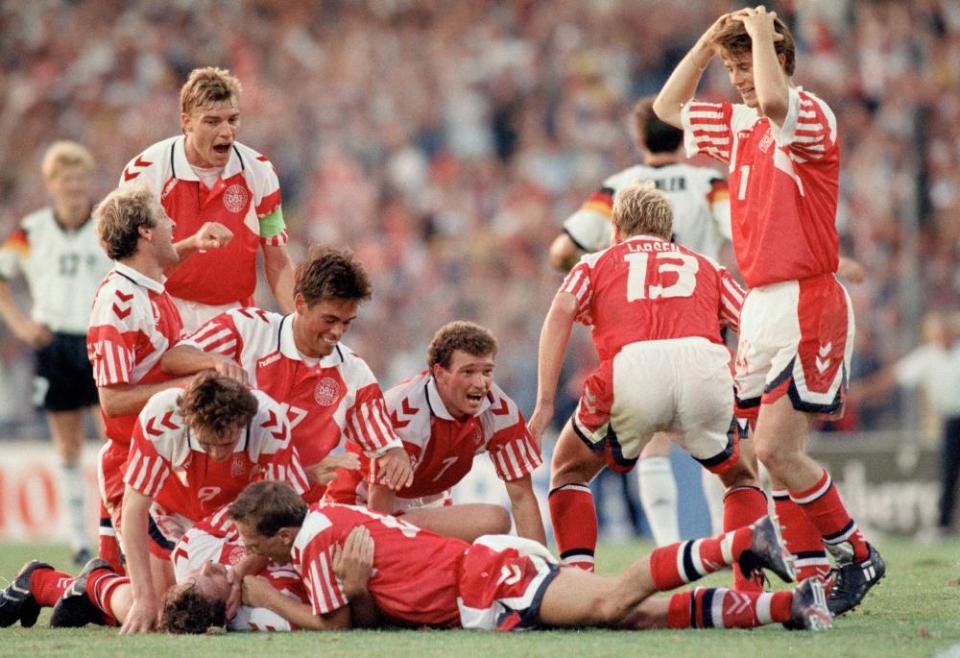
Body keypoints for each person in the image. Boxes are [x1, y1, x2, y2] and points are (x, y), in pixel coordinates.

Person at [653, 6, 885, 615]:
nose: (739, 77)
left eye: (746, 63)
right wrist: (705, 47)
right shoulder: (739, 126)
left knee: (779, 449)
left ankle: (857, 555)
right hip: (760, 304)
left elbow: (779, 104)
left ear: (781, 60)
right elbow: (667, 111)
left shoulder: (808, 114)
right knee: (758, 458)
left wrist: (760, 34)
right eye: (732, 67)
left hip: (807, 297)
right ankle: (810, 578)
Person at [528, 182, 766, 593]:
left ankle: (578, 585)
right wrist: (750, 394)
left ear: (616, 229)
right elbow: (754, 321)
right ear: (668, 230)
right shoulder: (705, 265)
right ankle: (749, 590)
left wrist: (545, 402)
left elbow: (562, 308)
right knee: (743, 478)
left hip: (631, 369)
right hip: (704, 364)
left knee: (568, 470)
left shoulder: (597, 262)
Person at [226, 481, 831, 633]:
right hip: (486, 577)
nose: (253, 557)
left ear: (282, 536)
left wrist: (267, 596)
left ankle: (743, 541)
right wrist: (360, 594)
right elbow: (365, 615)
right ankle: (791, 606)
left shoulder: (313, 544)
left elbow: (335, 631)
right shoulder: (333, 515)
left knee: (611, 597)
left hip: (489, 580)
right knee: (634, 617)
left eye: (255, 545)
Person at [547, 97, 735, 545]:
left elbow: (560, 251)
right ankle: (720, 546)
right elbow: (739, 232)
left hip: (637, 330)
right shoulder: (708, 180)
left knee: (653, 438)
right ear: (684, 136)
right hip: (702, 315)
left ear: (638, 138)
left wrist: (603, 267)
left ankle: (669, 549)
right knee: (720, 443)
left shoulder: (619, 186)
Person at [159, 245, 414, 503]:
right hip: (205, 501)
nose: (337, 332)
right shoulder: (246, 327)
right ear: (301, 303)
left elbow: (386, 445)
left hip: (284, 516)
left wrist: (397, 457)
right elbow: (172, 359)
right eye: (329, 320)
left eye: (347, 322)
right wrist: (214, 360)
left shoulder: (354, 375)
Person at [86, 184, 230, 573]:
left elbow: (162, 262)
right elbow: (112, 401)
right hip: (130, 464)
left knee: (204, 573)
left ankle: (94, 576)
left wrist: (195, 243)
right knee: (173, 590)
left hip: (164, 463)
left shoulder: (150, 289)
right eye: (164, 217)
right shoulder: (116, 303)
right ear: (145, 232)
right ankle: (46, 583)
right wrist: (188, 388)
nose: (173, 224)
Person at [118, 373, 320, 633]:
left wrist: (240, 572)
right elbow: (133, 510)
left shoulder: (269, 423)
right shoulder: (161, 417)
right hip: (174, 509)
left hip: (244, 516)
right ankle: (87, 585)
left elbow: (285, 516)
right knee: (154, 610)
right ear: (188, 423)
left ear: (245, 423)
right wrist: (142, 597)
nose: (216, 454)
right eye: (206, 444)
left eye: (226, 443)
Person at [325, 320, 546, 543]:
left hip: (424, 507)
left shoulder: (501, 413)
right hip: (361, 507)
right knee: (489, 523)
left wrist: (546, 568)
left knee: (496, 521)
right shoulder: (404, 414)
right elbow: (379, 504)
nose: (480, 383)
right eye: (468, 372)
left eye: (487, 371)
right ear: (440, 373)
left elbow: (522, 496)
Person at [0, 141, 112, 565]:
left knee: (110, 440)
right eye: (65, 178)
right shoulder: (32, 230)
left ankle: (112, 529)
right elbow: (2, 276)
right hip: (54, 345)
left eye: (80, 177)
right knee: (67, 446)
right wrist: (21, 325)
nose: (74, 185)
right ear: (50, 184)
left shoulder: (105, 224)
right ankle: (77, 537)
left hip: (99, 342)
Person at [118, 66, 295, 332]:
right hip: (164, 310)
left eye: (232, 120)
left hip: (235, 315)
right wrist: (193, 243)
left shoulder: (260, 172)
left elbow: (278, 262)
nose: (226, 132)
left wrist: (300, 323)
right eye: (212, 122)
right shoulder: (145, 173)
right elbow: (133, 264)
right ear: (186, 121)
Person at [853, 311, 960, 537]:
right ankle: (943, 525)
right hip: (950, 422)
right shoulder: (928, 356)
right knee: (947, 473)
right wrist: (862, 391)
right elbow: (894, 376)